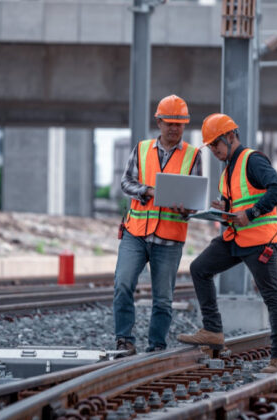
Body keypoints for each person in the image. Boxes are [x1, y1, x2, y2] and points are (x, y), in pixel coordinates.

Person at [177, 113, 277, 374]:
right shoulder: (228, 169)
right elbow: (241, 200)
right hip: (234, 238)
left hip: (259, 241)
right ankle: (213, 330)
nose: (214, 151)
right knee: (199, 269)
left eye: (215, 144)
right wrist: (224, 208)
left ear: (230, 136)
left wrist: (250, 214)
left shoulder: (253, 160)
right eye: (210, 147)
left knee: (272, 297)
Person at [113, 94, 202, 357]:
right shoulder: (141, 150)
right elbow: (125, 183)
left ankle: (156, 346)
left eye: (179, 124)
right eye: (169, 123)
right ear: (159, 122)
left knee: (163, 299)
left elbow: (194, 197)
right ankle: (124, 340)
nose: (174, 128)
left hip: (169, 238)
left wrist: (186, 208)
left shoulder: (193, 156)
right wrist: (148, 191)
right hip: (136, 233)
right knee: (123, 284)